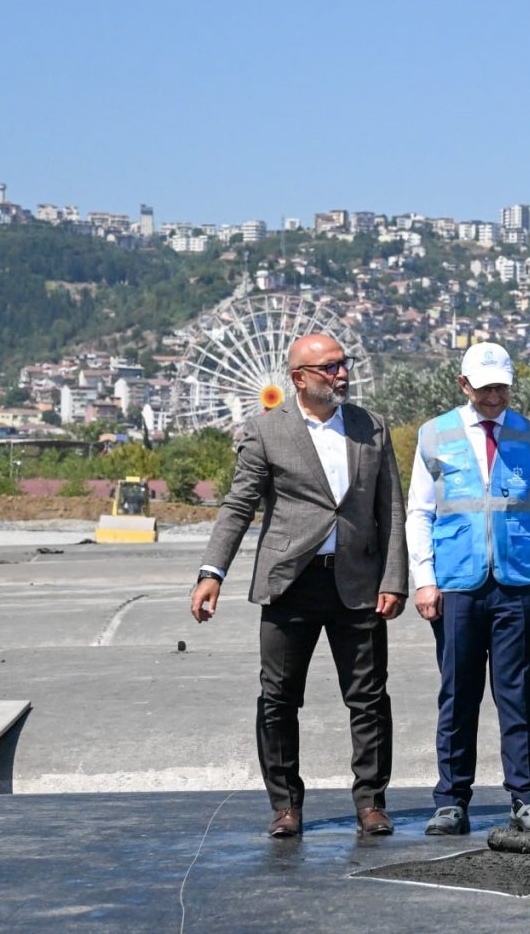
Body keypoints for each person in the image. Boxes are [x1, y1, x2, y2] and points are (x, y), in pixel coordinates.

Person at [190, 333, 408, 839]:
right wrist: (211, 572)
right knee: (279, 699)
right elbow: (239, 505)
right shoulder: (266, 430)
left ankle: (371, 803)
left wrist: (394, 578)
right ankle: (286, 805)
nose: (341, 374)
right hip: (290, 583)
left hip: (358, 583)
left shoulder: (371, 427)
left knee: (369, 699)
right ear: (299, 378)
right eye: (329, 368)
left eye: (343, 364)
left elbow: (391, 508)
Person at [407, 342, 530, 836]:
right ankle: (451, 799)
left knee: (517, 694)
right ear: (463, 385)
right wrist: (425, 579)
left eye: (501, 388)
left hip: (518, 582)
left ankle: (526, 798)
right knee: (458, 694)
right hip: (457, 585)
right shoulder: (435, 434)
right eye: (485, 388)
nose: (494, 397)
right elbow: (420, 512)